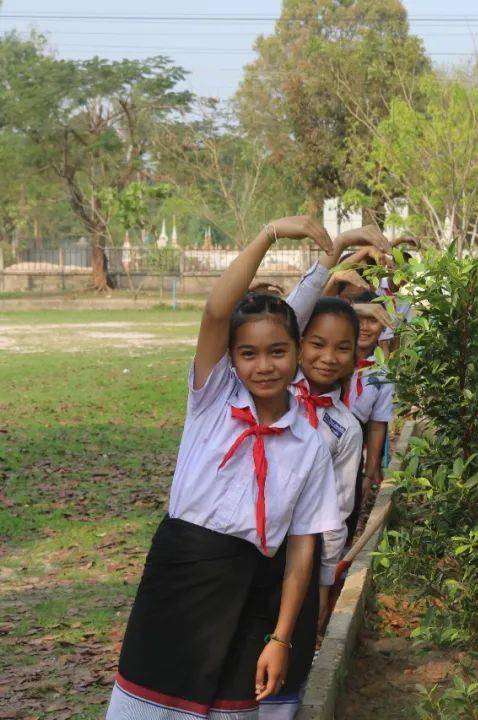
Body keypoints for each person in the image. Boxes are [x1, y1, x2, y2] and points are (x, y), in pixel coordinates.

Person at [106, 217, 342, 720]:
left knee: (232, 710)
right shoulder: (213, 401)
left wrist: (281, 636)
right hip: (179, 577)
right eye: (248, 354)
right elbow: (216, 312)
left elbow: (302, 549)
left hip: (252, 586)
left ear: (297, 354)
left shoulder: (309, 445)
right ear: (231, 360)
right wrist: (270, 234)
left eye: (278, 352)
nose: (264, 366)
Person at [258, 237, 375, 720]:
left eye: (342, 348)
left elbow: (337, 516)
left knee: (284, 660)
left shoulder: (345, 428)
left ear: (354, 356)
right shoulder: (270, 392)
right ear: (297, 343)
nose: (328, 357)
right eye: (317, 344)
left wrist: (326, 589)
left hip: (299, 568)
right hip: (246, 549)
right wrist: (331, 267)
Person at [341, 291, 395, 541]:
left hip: (353, 445)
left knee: (346, 509)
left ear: (382, 323)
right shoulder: (333, 357)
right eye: (359, 318)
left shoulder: (382, 371)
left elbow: (377, 423)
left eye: (372, 320)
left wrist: (370, 469)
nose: (364, 327)